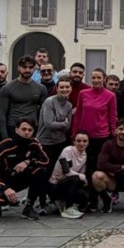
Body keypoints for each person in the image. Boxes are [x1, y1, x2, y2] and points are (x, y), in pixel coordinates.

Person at [0, 118, 50, 219]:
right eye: (24, 129)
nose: (26, 132)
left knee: (41, 171)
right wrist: (5, 188)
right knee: (2, 200)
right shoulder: (5, 145)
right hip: (0, 181)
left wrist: (28, 161)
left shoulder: (34, 144)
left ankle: (28, 207)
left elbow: (46, 161)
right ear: (17, 130)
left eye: (30, 130)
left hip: (19, 179)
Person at [73, 67, 119, 202]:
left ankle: (102, 195)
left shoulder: (110, 95)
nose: (96, 80)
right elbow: (78, 115)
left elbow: (112, 117)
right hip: (84, 138)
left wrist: (113, 135)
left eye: (99, 78)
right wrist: (74, 133)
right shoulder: (83, 93)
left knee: (99, 167)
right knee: (86, 167)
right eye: (93, 78)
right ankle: (89, 198)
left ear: (104, 79)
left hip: (102, 137)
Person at [34, 77, 73, 211]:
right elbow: (48, 123)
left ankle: (55, 199)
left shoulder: (68, 105)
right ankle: (42, 200)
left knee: (57, 172)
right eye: (62, 87)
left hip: (60, 142)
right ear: (57, 88)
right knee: (45, 172)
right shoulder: (49, 102)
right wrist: (62, 123)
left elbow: (68, 128)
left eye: (67, 87)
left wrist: (61, 124)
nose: (64, 89)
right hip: (45, 142)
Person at [0, 56, 47, 138]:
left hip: (33, 129)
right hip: (13, 128)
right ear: (18, 68)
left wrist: (40, 133)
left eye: (30, 67)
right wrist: (5, 136)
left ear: (34, 69)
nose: (27, 70)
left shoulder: (41, 88)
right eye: (24, 67)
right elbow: (1, 114)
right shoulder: (7, 88)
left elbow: (44, 114)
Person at [48, 131, 91, 218]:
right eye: (78, 141)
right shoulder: (67, 150)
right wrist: (82, 177)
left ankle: (64, 204)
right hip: (55, 185)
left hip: (70, 184)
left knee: (85, 195)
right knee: (75, 178)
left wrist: (82, 177)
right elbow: (66, 171)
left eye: (84, 141)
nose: (81, 143)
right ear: (74, 142)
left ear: (88, 142)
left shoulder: (86, 155)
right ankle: (68, 208)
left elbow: (82, 173)